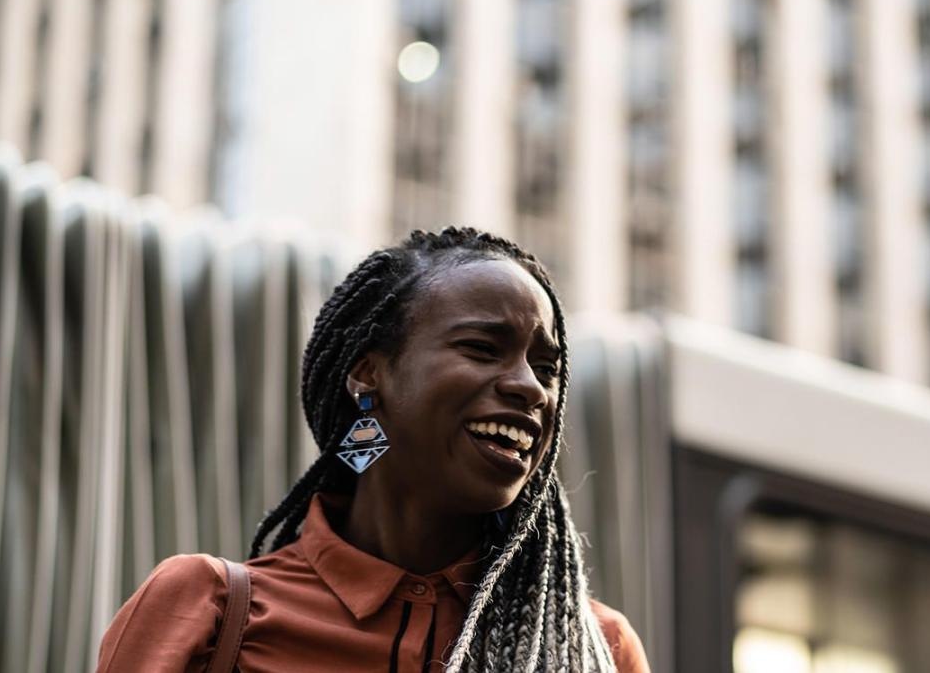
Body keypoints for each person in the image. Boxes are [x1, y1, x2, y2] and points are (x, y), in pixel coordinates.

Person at [98, 227, 649, 672]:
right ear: (368, 374)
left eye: (547, 369)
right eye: (482, 348)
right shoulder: (212, 613)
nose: (531, 388)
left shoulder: (599, 649)